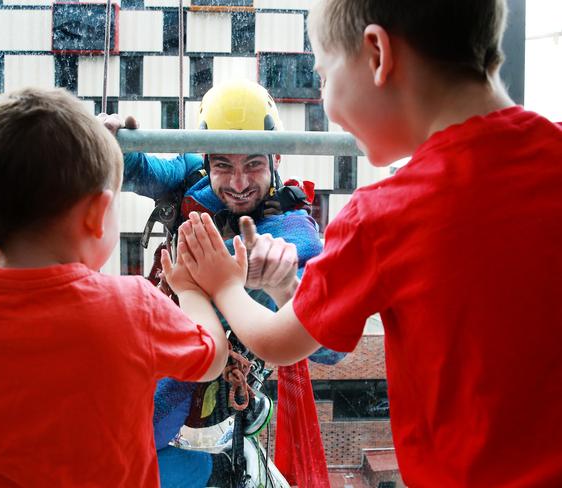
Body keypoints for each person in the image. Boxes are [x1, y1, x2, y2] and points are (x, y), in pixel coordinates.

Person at [171, 1, 562, 487]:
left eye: (325, 75)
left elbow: (281, 343)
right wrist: (288, 284)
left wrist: (221, 283)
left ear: (377, 54)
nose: (326, 103)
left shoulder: (384, 215)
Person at [0, 87, 228, 487]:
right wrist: (193, 287)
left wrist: (81, 148)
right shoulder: (133, 307)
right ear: (97, 215)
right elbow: (212, 359)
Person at [100, 79, 344, 488]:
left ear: (276, 158)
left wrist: (285, 284)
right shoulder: (191, 175)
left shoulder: (291, 232)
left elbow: (332, 349)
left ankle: (218, 473)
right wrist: (112, 143)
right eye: (223, 166)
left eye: (253, 164)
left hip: (200, 379)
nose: (238, 182)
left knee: (126, 449)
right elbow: (136, 171)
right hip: (162, 346)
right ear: (207, 159)